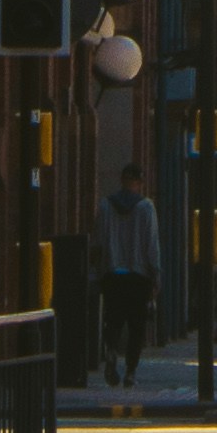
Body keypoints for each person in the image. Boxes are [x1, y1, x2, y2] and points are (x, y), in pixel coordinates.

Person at [96, 163, 161, 387]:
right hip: (138, 276)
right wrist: (156, 275)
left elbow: (98, 242)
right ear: (139, 183)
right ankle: (131, 371)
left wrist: (100, 271)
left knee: (113, 321)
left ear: (122, 180)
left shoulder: (105, 206)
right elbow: (152, 244)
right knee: (136, 327)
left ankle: (111, 351)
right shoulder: (146, 208)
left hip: (113, 274)